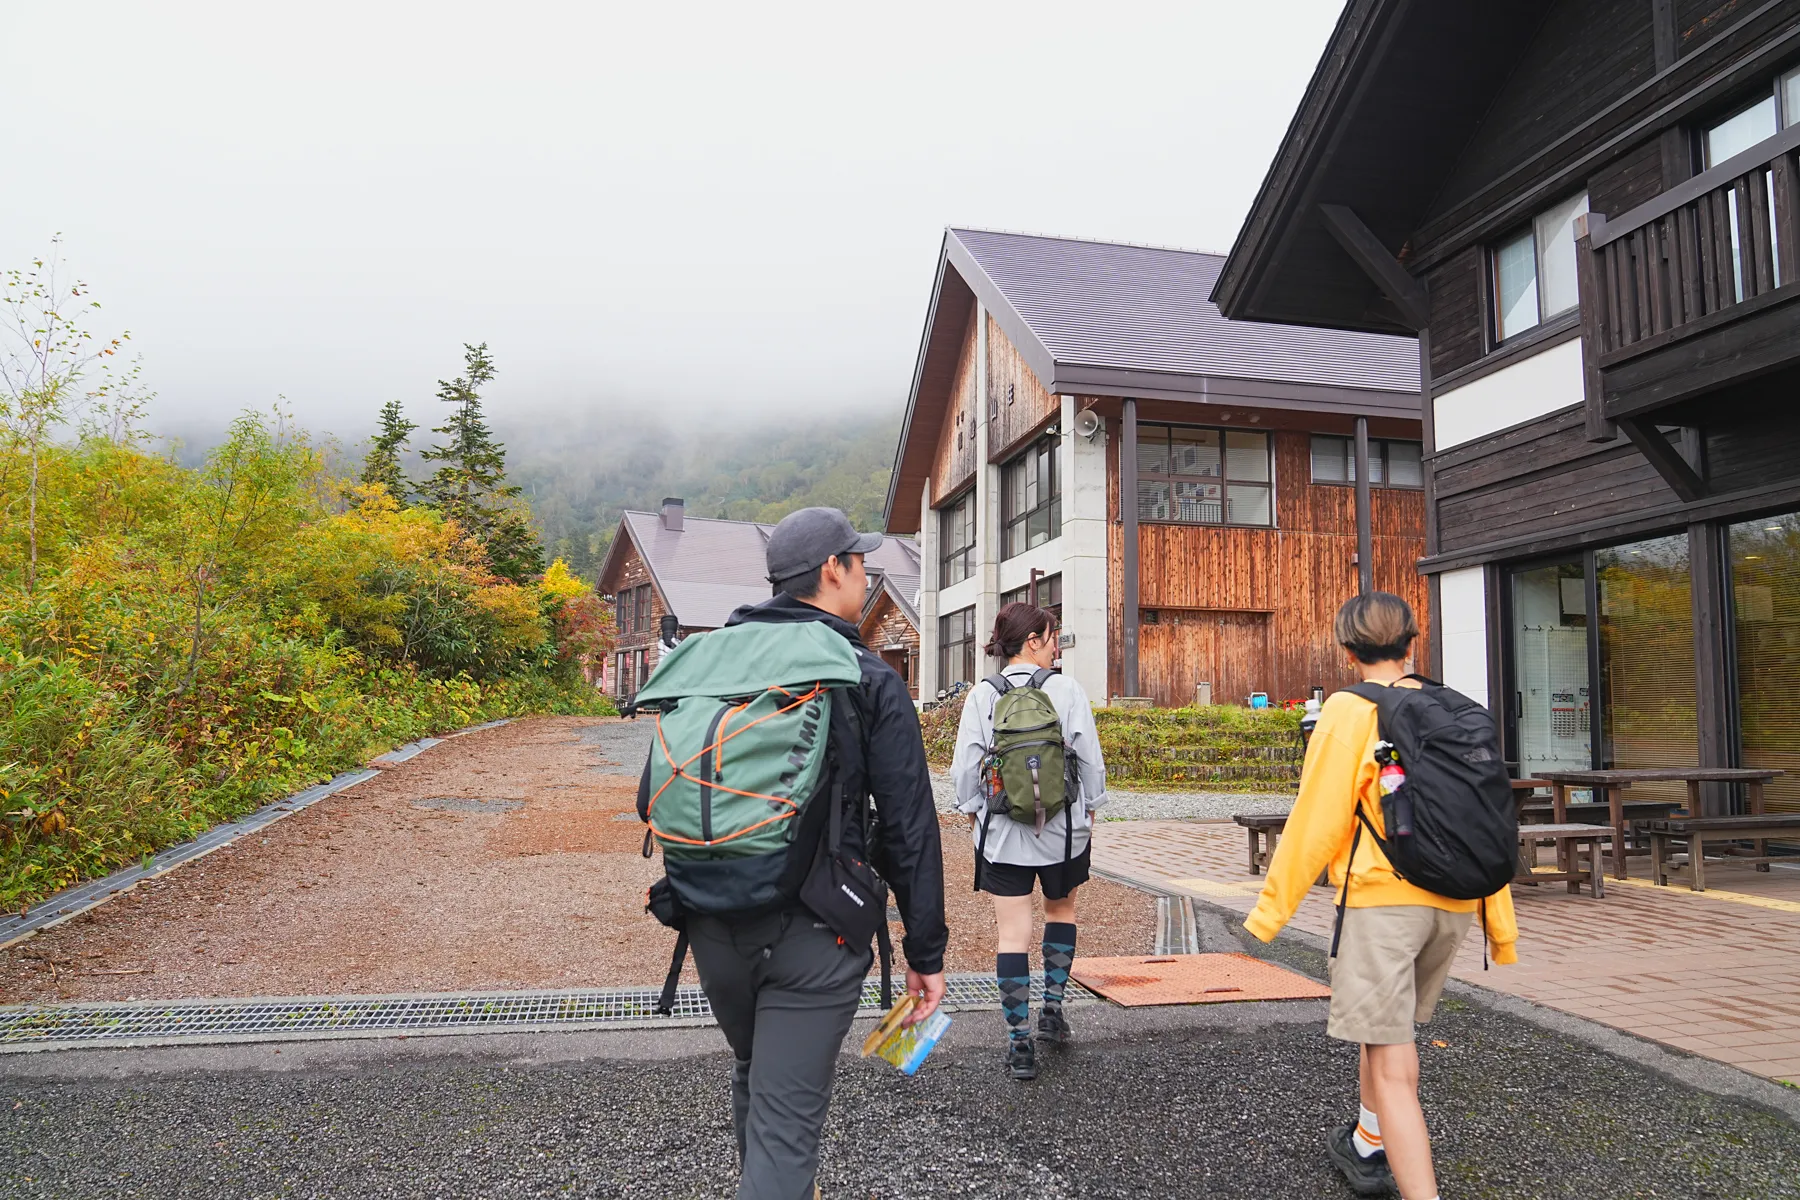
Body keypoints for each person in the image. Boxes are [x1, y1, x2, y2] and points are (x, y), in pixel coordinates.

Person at [686, 507, 948, 1200]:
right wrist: (926, 953)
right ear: (834, 570)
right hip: (814, 933)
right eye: (860, 562)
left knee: (757, 1073)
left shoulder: (712, 661)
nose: (865, 575)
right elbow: (907, 828)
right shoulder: (863, 676)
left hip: (709, 916)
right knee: (785, 1132)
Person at [1244, 592, 1518, 1200]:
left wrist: (1268, 915)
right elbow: (1487, 819)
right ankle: (1368, 1142)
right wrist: (1500, 925)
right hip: (1455, 905)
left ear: (1347, 649)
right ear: (1412, 642)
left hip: (1384, 904)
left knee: (1396, 1067)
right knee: (1382, 1032)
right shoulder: (1455, 709)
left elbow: (1317, 819)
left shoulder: (1349, 710)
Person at [951, 601, 1108, 1082]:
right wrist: (1091, 806)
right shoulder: (1067, 690)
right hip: (1063, 834)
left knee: (1012, 934)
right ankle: (1052, 1012)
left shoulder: (982, 695)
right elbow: (1088, 758)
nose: (1056, 644)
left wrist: (976, 811)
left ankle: (1019, 1043)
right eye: (1051, 636)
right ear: (1033, 640)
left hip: (1002, 835)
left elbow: (965, 772)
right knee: (1061, 911)